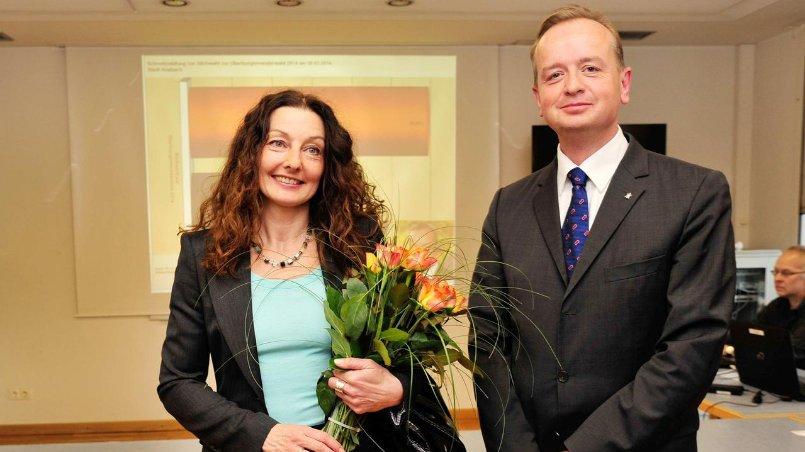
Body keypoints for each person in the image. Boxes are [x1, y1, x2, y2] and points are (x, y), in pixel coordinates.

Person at [469, 5, 735, 452]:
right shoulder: (507, 206)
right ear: (538, 96)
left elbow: (693, 343)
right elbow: (488, 337)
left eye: (590, 68)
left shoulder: (694, 193)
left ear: (624, 84)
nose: (572, 85)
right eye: (554, 75)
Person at [158, 90, 459, 452]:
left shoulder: (359, 243)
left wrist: (396, 388)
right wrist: (263, 435)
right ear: (252, 154)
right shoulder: (203, 254)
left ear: (328, 165)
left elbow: (404, 362)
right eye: (278, 143)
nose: (294, 162)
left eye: (312, 149)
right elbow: (177, 382)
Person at [756, 245, 805, 368]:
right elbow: (754, 334)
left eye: (786, 273)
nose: (777, 279)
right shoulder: (778, 305)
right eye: (776, 272)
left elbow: (791, 351)